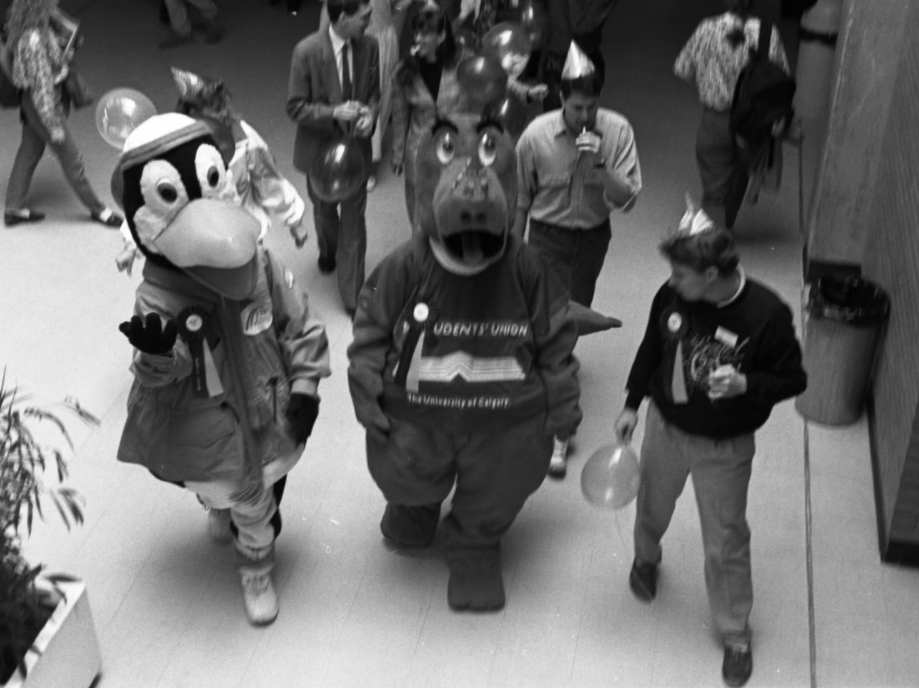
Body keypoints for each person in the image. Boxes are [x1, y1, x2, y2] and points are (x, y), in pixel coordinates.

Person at [348, 109, 581, 612]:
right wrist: (366, 383)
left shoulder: (524, 265)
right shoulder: (407, 262)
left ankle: (475, 544)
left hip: (505, 421)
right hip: (418, 413)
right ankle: (417, 507)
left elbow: (555, 338)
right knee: (407, 474)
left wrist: (562, 404)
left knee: (497, 488)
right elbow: (372, 329)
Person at [115, 113, 331, 626]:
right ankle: (235, 532)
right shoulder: (157, 295)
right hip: (207, 430)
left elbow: (299, 322)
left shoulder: (258, 262)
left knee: (263, 503)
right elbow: (161, 377)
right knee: (237, 496)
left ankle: (256, 561)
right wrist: (158, 354)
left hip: (270, 415)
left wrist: (305, 387)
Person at [611, 200, 807, 687]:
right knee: (651, 505)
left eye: (681, 275)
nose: (671, 283)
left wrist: (748, 385)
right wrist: (633, 404)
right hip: (666, 427)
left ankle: (736, 631)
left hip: (725, 445)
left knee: (725, 540)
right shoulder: (671, 295)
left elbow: (794, 378)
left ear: (715, 273)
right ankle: (646, 558)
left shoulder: (766, 314)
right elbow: (651, 348)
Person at [514, 41, 641, 476]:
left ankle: (557, 412)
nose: (584, 116)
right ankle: (553, 426)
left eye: (591, 107)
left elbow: (628, 200)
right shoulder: (536, 137)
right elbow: (520, 200)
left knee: (566, 322)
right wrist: (512, 254)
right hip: (544, 238)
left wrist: (601, 164)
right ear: (561, 99)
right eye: (576, 107)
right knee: (538, 321)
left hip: (589, 240)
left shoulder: (618, 132)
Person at [115, 68, 308, 275]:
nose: (221, 113)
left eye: (221, 105)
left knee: (252, 286)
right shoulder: (174, 145)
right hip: (195, 244)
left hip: (242, 232)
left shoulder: (243, 138)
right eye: (211, 108)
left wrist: (294, 219)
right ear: (191, 112)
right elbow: (152, 201)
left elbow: (268, 180)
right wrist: (132, 244)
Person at [287, 0, 380, 316]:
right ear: (342, 18)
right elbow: (295, 107)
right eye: (363, 17)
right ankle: (328, 251)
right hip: (320, 154)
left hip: (355, 152)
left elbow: (374, 95)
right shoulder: (306, 51)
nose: (369, 21)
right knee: (324, 210)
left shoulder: (370, 46)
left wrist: (371, 114)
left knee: (354, 225)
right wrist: (333, 112)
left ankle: (353, 295)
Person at [3, 0, 123, 229]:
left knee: (29, 152)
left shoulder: (31, 29)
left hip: (35, 102)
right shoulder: (34, 40)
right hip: (44, 104)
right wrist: (53, 124)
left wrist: (65, 51)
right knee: (73, 160)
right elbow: (41, 89)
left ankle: (14, 207)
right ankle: (100, 210)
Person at [674, 0, 790, 229]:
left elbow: (683, 68)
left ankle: (713, 241)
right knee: (738, 178)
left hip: (715, 121)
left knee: (715, 189)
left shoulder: (707, 28)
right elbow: (782, 79)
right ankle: (724, 229)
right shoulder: (769, 34)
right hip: (752, 125)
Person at [390, 0, 469, 228]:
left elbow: (491, 78)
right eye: (416, 33)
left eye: (425, 34)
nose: (417, 39)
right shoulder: (403, 72)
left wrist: (526, 91)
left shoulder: (462, 62)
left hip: (455, 148)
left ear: (441, 37)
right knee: (418, 218)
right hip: (419, 149)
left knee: (451, 212)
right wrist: (397, 153)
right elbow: (400, 115)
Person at [321, 0, 408, 192]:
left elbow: (400, 5)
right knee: (347, 98)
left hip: (382, 42)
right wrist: (324, 47)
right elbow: (328, 12)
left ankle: (368, 163)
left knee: (377, 102)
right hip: (350, 40)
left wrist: (390, 26)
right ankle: (342, 155)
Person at [541, 0, 618, 111]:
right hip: (554, 57)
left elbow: (580, 25)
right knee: (551, 120)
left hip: (583, 62)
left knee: (579, 119)